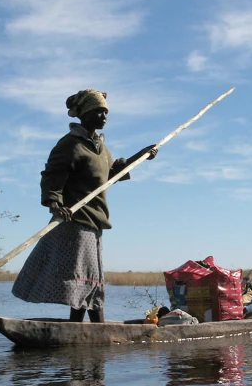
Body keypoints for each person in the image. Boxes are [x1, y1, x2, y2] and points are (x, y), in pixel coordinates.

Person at [12, 88, 157, 322]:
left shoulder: (100, 147)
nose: (104, 116)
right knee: (85, 276)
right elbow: (52, 175)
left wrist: (141, 156)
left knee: (91, 277)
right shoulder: (70, 144)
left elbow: (113, 173)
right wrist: (54, 203)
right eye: (98, 112)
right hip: (75, 220)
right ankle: (90, 327)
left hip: (95, 220)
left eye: (106, 112)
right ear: (85, 114)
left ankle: (85, 329)